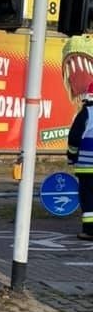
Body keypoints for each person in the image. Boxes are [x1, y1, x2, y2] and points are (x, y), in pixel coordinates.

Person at [66, 81, 93, 240]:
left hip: (88, 167)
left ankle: (89, 231)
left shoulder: (87, 113)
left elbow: (74, 138)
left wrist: (71, 156)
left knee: (89, 198)